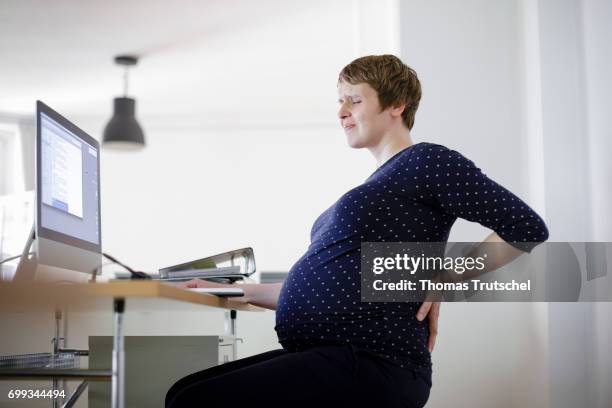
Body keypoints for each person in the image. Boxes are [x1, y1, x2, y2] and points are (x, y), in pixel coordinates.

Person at [165, 55, 549, 408]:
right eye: (339, 102)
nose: (341, 112)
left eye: (354, 100)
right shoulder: (378, 186)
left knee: (194, 402)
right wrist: (231, 289)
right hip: (333, 354)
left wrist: (446, 278)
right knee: (180, 393)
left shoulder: (426, 161)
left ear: (396, 104)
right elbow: (322, 288)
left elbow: (525, 227)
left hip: (373, 360)